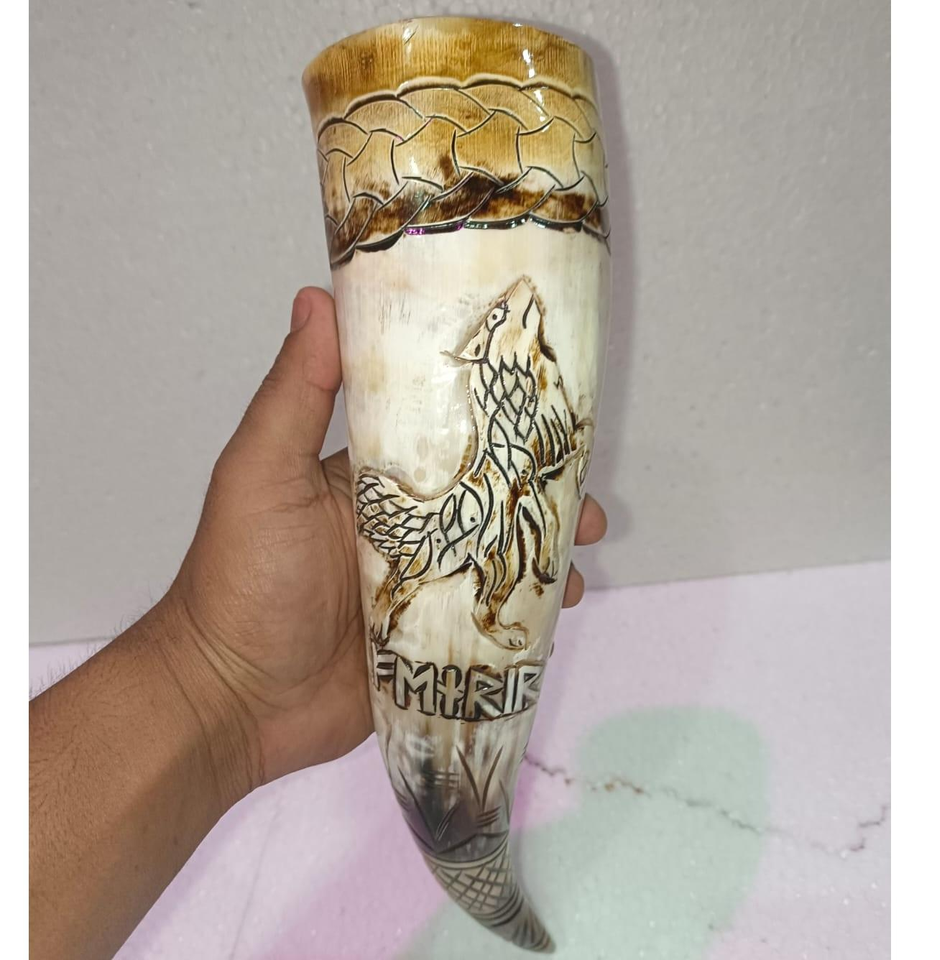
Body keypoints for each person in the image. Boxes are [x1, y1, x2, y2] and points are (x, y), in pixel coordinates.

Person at [29, 288, 608, 960]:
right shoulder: (501, 375)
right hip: (472, 506)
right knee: (474, 553)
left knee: (508, 553)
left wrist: (214, 679)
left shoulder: (521, 373)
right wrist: (213, 672)